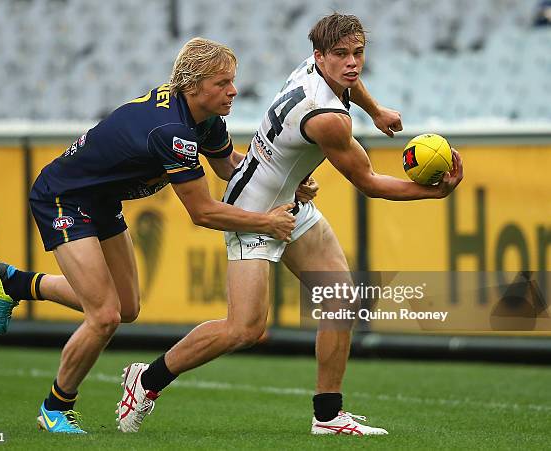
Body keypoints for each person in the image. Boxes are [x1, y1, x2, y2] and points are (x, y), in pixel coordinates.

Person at [118, 14, 463, 436]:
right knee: (244, 328)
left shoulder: (316, 68)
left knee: (340, 298)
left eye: (358, 53)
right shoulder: (328, 118)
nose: (352, 63)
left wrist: (374, 110)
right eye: (341, 55)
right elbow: (370, 183)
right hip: (253, 210)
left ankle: (328, 416)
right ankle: (145, 380)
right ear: (320, 55)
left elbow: (347, 81)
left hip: (289, 202)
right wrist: (437, 193)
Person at [0, 37, 317, 434]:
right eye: (222, 83)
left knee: (126, 308)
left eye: (233, 81)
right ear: (193, 86)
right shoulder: (171, 131)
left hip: (101, 199)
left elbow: (230, 166)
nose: (233, 90)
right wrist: (268, 222)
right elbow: (203, 212)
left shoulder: (206, 116)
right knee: (105, 315)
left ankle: (17, 282)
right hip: (63, 198)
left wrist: (288, 183)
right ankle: (55, 407)